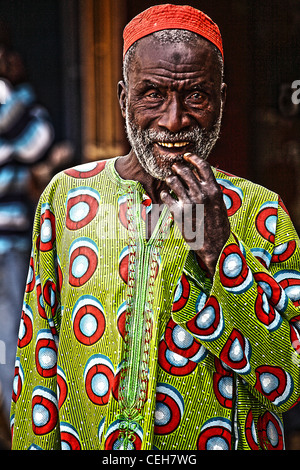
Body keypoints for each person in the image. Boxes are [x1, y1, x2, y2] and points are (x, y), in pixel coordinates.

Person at [10, 4, 300, 451]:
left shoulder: (262, 212)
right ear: (124, 97)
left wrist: (221, 253)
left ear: (221, 98)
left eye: (197, 96)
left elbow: (287, 383)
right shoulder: (65, 198)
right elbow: (37, 367)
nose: (174, 120)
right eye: (152, 94)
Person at [0, 45, 55, 423]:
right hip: (9, 239)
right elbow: (38, 147)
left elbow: (37, 143)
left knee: (10, 335)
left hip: (11, 241)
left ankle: (14, 419)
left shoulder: (16, 105)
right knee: (9, 335)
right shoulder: (15, 105)